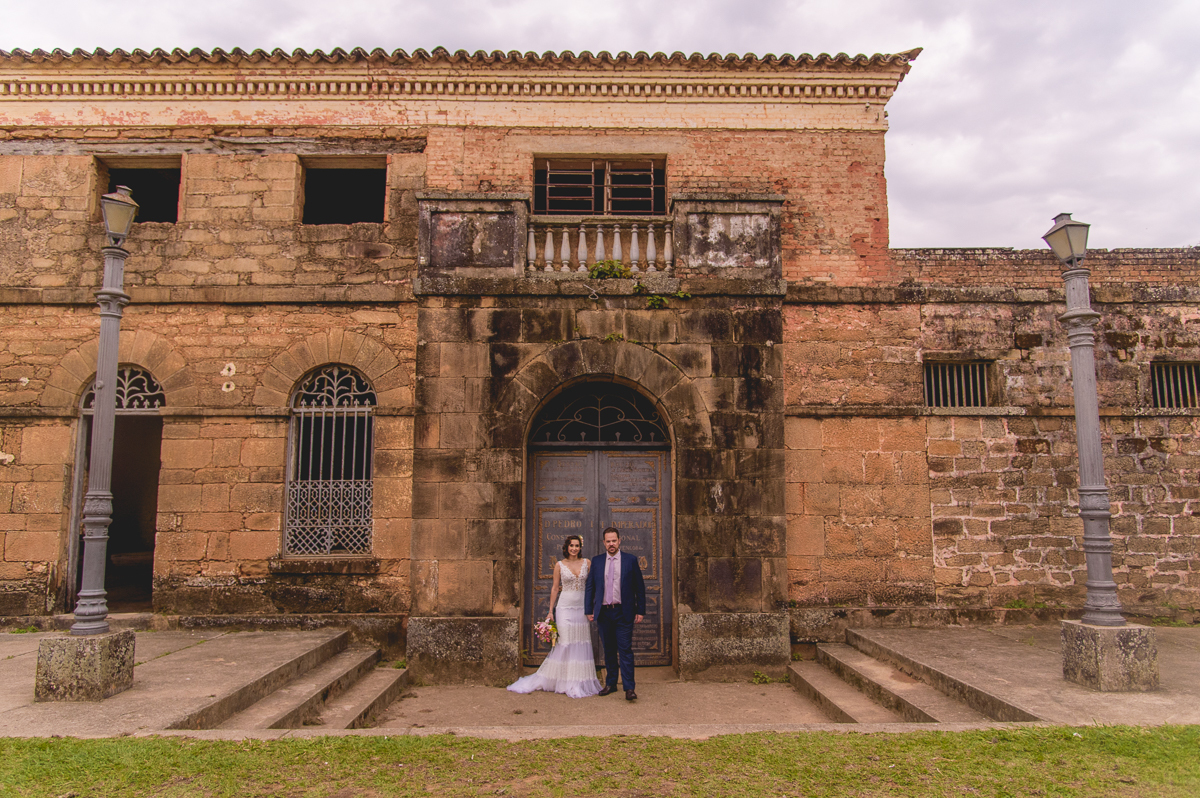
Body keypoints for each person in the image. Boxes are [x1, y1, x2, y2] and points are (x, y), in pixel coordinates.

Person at [507, 535, 602, 698]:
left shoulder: (587, 563)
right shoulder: (559, 565)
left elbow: (591, 586)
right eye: (571, 545)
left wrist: (593, 606)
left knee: (579, 644)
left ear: (580, 547)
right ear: (567, 547)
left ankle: (576, 681)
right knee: (564, 643)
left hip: (581, 608)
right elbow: (555, 588)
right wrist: (551, 611)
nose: (574, 548)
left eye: (577, 545)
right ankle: (555, 679)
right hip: (564, 607)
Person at [585, 526, 646, 701]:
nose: (611, 544)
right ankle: (611, 684)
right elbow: (591, 587)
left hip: (623, 612)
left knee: (625, 650)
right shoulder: (596, 561)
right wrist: (589, 610)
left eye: (614, 540)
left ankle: (629, 688)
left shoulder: (630, 560)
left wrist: (640, 610)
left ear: (619, 541)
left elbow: (639, 588)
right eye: (608, 541)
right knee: (609, 650)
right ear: (604, 543)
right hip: (604, 613)